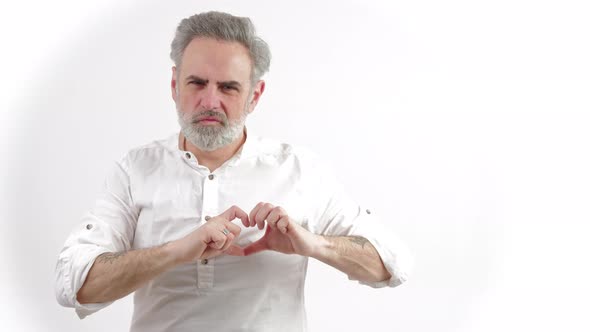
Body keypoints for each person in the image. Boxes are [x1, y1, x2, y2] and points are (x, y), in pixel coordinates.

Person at [54, 11, 412, 332]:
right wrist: (177, 251)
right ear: (174, 85)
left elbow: (391, 263)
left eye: (228, 87)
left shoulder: (299, 169)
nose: (210, 102)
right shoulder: (135, 169)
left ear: (255, 96)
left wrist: (312, 244)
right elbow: (74, 283)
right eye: (197, 83)